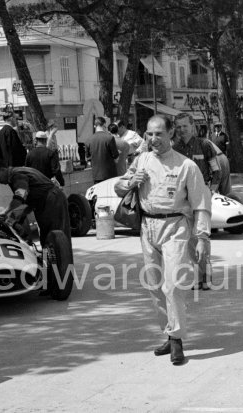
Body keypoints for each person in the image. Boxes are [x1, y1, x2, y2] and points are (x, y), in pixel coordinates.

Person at [114, 115, 211, 365]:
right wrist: (129, 182)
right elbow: (119, 187)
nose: (153, 139)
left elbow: (201, 203)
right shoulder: (142, 160)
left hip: (176, 227)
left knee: (173, 283)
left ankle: (177, 339)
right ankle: (168, 332)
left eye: (159, 134)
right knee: (155, 285)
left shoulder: (186, 166)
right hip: (147, 227)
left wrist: (201, 238)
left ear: (171, 135)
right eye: (149, 134)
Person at [173, 113, 220, 290]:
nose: (182, 130)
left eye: (185, 126)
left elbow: (217, 170)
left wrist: (211, 191)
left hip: (202, 195)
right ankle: (197, 276)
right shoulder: (174, 148)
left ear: (192, 126)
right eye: (178, 127)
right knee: (189, 239)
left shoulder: (205, 145)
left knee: (202, 236)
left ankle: (205, 277)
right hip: (183, 198)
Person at [0, 161, 71, 247]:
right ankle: (46, 258)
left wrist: (5, 211)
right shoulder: (17, 173)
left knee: (57, 235)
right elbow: (33, 195)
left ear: (2, 170)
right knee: (46, 236)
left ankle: (63, 260)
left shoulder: (17, 175)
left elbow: (20, 197)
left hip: (52, 200)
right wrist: (24, 213)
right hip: (44, 202)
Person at [84, 117, 119, 184]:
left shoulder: (88, 140)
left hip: (96, 176)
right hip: (110, 175)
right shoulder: (110, 138)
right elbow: (116, 157)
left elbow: (88, 160)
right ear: (104, 125)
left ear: (94, 126)